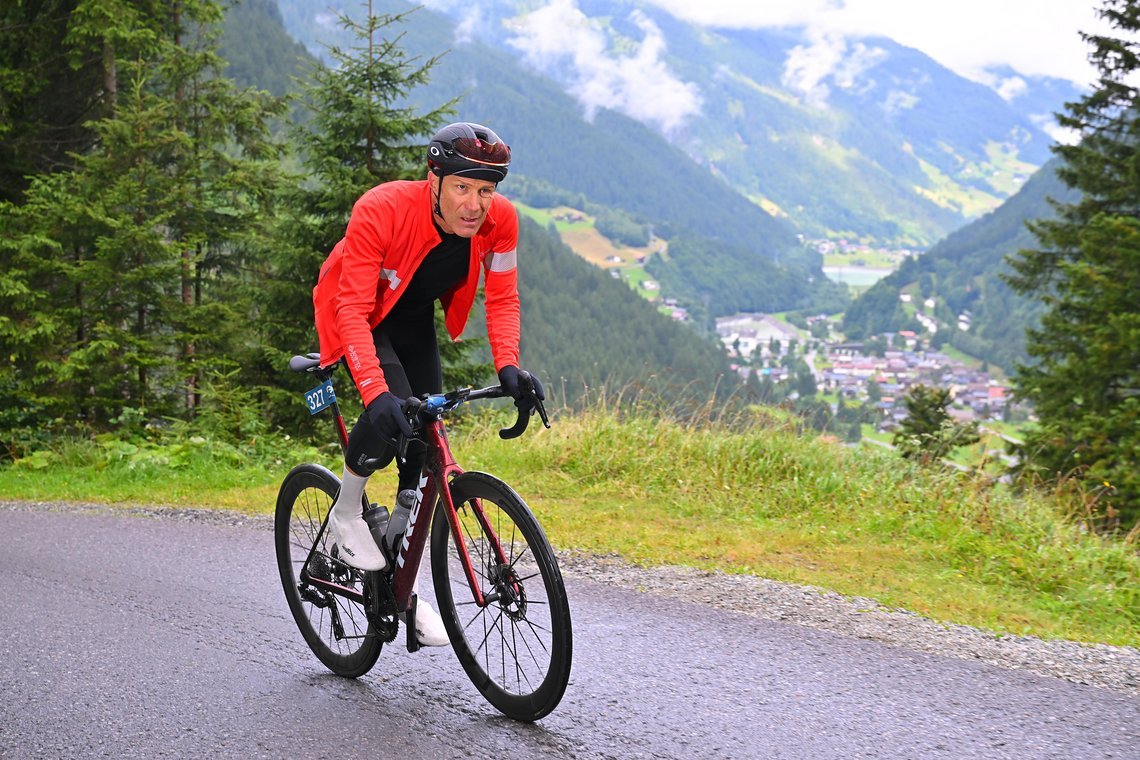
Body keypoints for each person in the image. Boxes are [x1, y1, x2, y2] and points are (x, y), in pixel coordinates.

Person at [312, 121, 544, 646]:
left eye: (485, 190)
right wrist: (375, 392)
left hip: (411, 318)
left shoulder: (500, 223)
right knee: (388, 413)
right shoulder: (382, 208)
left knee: (424, 439)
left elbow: (503, 297)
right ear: (433, 179)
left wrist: (509, 366)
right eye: (462, 187)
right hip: (357, 315)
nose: (474, 204)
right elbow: (351, 308)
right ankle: (346, 515)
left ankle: (399, 581)